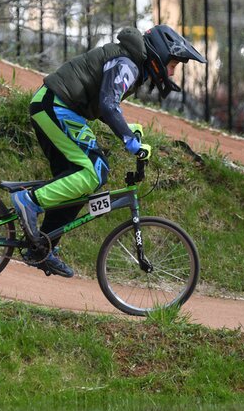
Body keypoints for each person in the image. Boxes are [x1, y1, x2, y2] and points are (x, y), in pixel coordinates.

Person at [11, 24, 206, 277]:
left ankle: (42, 248)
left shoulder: (131, 63)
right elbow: (107, 104)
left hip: (57, 107)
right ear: (160, 54)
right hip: (56, 106)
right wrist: (130, 141)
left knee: (78, 186)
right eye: (173, 64)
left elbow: (103, 103)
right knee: (96, 170)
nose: (172, 72)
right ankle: (28, 201)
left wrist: (129, 128)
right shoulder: (129, 63)